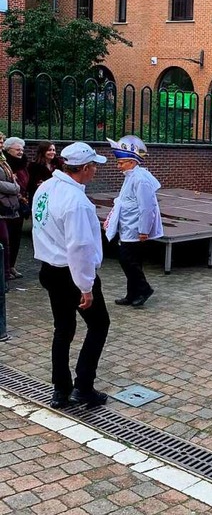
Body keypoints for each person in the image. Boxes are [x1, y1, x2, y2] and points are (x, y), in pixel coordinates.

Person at [32, 142, 110, 409]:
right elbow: (79, 248)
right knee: (99, 325)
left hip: (50, 267)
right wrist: (86, 286)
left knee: (63, 329)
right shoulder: (77, 202)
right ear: (85, 168)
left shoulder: (45, 188)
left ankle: (61, 390)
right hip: (71, 273)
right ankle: (83, 387)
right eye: (94, 167)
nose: (95, 172)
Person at [104, 136, 163, 308]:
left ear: (131, 162)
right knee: (131, 261)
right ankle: (132, 294)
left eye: (121, 162)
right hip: (128, 226)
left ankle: (144, 289)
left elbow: (147, 207)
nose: (118, 166)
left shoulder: (140, 179)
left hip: (135, 229)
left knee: (128, 261)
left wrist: (144, 230)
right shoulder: (131, 176)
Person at [3, 137, 30, 280]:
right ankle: (5, 267)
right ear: (8, 150)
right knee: (6, 238)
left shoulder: (23, 164)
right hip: (7, 205)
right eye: (17, 149)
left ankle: (12, 265)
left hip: (20, 205)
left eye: (22, 149)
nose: (21, 152)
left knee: (16, 237)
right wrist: (16, 188)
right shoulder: (5, 164)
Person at [0, 133, 20, 291]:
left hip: (6, 206)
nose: (1, 144)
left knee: (6, 243)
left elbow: (13, 179)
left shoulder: (3, 161)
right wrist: (14, 187)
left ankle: (4, 277)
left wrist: (14, 185)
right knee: (4, 241)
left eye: (2, 142)